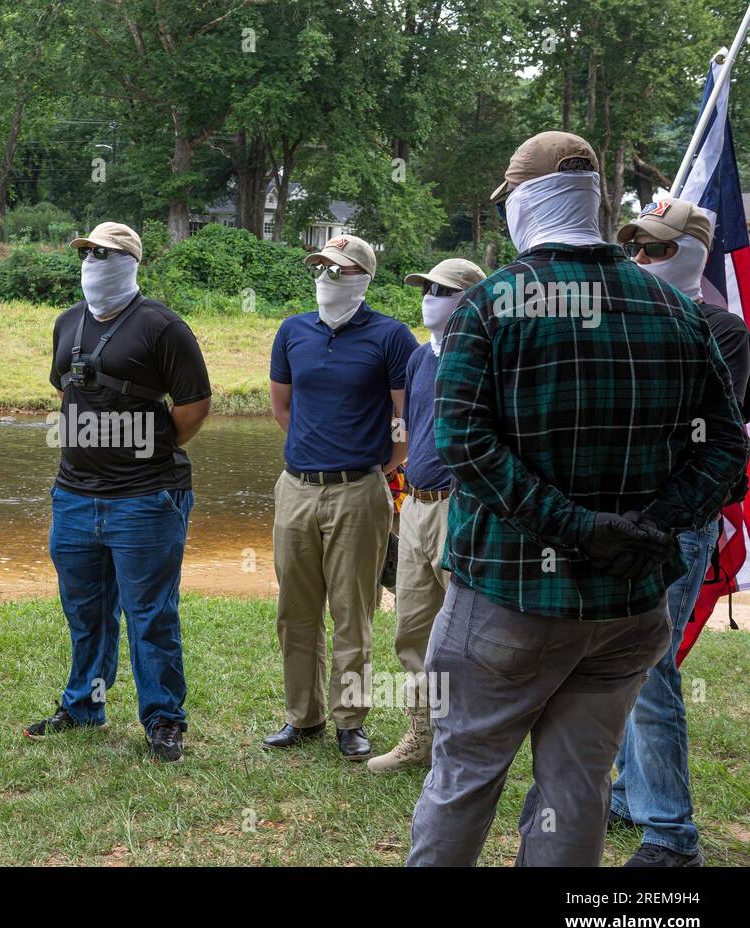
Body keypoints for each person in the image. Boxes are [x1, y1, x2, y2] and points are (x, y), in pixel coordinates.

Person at [407, 132, 749, 866]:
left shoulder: (491, 306)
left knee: (465, 777)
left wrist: (579, 529)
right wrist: (649, 526)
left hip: (509, 599)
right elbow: (727, 449)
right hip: (630, 608)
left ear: (523, 204)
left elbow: (466, 446)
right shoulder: (679, 310)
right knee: (579, 788)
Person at [24, 222, 211, 763]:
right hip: (75, 495)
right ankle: (85, 705)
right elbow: (63, 386)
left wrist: (150, 444)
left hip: (147, 497)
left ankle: (163, 721)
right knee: (86, 610)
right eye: (86, 253)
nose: (91, 262)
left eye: (103, 254)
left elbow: (195, 404)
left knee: (151, 613)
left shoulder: (163, 327)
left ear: (129, 262)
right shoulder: (67, 323)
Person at [609, 198, 750, 866]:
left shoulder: (723, 332)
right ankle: (630, 793)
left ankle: (671, 834)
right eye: (635, 248)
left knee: (651, 668)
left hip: (677, 527)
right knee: (617, 664)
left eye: (656, 249)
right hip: (617, 520)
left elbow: (688, 431)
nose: (640, 261)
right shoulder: (623, 320)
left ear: (694, 250)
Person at [264, 235, 417, 759]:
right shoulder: (292, 330)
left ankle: (349, 721)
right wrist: (313, 451)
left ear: (363, 277)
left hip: (360, 490)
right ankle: (301, 717)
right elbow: (283, 408)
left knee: (353, 611)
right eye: (321, 266)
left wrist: (376, 468)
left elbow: (406, 420)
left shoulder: (392, 336)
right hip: (297, 488)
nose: (328, 276)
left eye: (340, 269)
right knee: (295, 610)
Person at [366, 257, 486, 773]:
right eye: (426, 286)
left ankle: (473, 743)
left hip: (464, 508)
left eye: (443, 289)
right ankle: (422, 736)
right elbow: (410, 428)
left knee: (469, 632)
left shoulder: (489, 358)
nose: (430, 295)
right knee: (413, 629)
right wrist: (404, 491)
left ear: (470, 300)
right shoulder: (418, 358)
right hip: (416, 505)